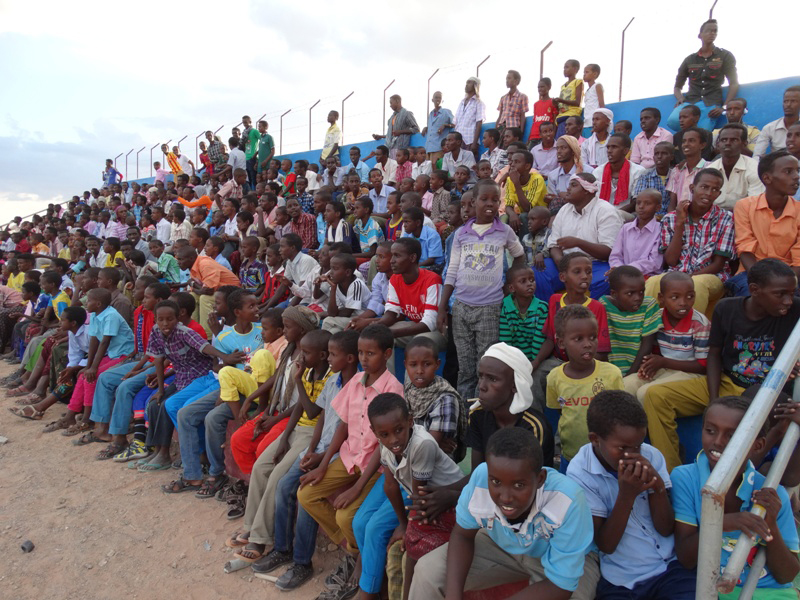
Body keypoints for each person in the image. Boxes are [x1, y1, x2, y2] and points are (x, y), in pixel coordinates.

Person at [645, 259, 800, 472]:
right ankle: (672, 473)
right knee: (655, 396)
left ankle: (732, 475)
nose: (788, 300)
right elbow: (714, 355)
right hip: (728, 382)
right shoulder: (726, 309)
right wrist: (713, 399)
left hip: (767, 390)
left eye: (792, 293)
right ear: (754, 290)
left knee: (748, 407)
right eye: (780, 294)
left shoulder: (795, 311)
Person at [409, 427, 599, 600]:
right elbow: (462, 535)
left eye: (519, 485)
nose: (506, 497)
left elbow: (561, 587)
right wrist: (453, 595)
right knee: (428, 571)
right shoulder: (482, 477)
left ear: (540, 479)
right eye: (496, 482)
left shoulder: (567, 500)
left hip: (558, 556)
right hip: (501, 542)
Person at [297, 325, 403, 599]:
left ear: (387, 354)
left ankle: (358, 558)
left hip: (374, 467)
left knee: (347, 516)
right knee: (306, 494)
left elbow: (385, 445)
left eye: (371, 353)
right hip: (348, 457)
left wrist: (356, 488)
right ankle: (354, 550)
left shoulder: (393, 389)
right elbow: (343, 425)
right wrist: (322, 465)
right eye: (360, 353)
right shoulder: (355, 382)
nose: (364, 359)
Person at [250, 330, 359, 591]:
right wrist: (311, 450)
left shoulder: (358, 387)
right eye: (330, 354)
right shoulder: (334, 382)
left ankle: (302, 562)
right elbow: (319, 417)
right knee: (285, 486)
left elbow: (352, 433)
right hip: (320, 448)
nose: (330, 359)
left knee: (306, 492)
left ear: (351, 358)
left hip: (339, 453)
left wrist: (321, 457)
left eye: (333, 354)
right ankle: (282, 548)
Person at [567, 390, 695, 600]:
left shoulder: (651, 455)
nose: (633, 454)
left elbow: (666, 529)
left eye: (638, 445)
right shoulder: (579, 473)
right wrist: (626, 495)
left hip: (670, 567)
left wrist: (658, 488)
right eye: (622, 447)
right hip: (622, 578)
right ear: (594, 439)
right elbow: (606, 545)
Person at [672, 395, 800, 597]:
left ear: (758, 445)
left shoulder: (772, 492)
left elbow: (787, 575)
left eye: (733, 436)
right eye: (710, 431)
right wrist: (723, 523)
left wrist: (771, 523)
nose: (718, 442)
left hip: (769, 591)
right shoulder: (685, 478)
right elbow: (686, 558)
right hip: (714, 588)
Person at [361, 392, 464, 600]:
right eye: (385, 434)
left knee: (411, 554)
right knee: (395, 554)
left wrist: (407, 530)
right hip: (426, 505)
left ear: (410, 421)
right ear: (375, 433)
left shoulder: (421, 444)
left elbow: (419, 495)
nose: (394, 440)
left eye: (399, 430)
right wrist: (401, 524)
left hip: (450, 504)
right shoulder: (385, 444)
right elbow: (390, 486)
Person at [438, 180, 525, 399]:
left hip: (489, 308)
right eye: (484, 199)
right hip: (461, 309)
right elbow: (452, 271)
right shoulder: (461, 234)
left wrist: (508, 284)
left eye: (495, 200)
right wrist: (442, 307)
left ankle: (481, 409)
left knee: (483, 364)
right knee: (465, 367)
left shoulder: (503, 231)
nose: (490, 204)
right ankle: (466, 412)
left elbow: (520, 255)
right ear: (474, 202)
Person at [643, 168, 733, 317]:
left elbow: (717, 264)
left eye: (715, 189)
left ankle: (690, 333)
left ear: (719, 194)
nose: (709, 193)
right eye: (704, 187)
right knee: (653, 282)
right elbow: (671, 260)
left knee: (696, 285)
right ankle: (648, 330)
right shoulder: (671, 218)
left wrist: (688, 279)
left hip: (711, 276)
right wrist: (680, 223)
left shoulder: (725, 219)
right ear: (692, 188)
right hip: (676, 274)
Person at [547, 304, 624, 468]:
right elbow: (556, 416)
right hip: (571, 458)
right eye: (578, 339)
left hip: (605, 459)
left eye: (592, 337)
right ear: (561, 343)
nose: (588, 344)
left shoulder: (612, 374)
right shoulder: (554, 378)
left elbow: (620, 416)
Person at [535, 174, 623, 302]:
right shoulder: (564, 209)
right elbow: (553, 245)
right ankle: (552, 313)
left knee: (607, 280)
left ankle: (586, 315)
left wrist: (578, 243)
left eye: (574, 185)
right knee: (539, 272)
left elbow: (608, 251)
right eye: (569, 184)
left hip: (595, 263)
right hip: (565, 260)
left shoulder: (606, 211)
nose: (568, 188)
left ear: (588, 190)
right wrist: (562, 263)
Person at [624, 271, 709, 402]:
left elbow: (703, 367)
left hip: (690, 374)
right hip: (663, 368)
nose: (683, 303)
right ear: (661, 298)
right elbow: (655, 352)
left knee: (646, 393)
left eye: (689, 296)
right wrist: (649, 366)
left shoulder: (700, 324)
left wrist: (664, 362)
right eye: (675, 297)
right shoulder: (656, 317)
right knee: (625, 386)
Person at [727, 150, 800, 296]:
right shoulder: (745, 206)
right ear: (767, 178)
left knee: (791, 300)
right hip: (750, 273)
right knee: (754, 295)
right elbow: (745, 248)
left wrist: (786, 283)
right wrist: (765, 281)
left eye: (797, 171)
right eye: (788, 171)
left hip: (790, 276)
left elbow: (798, 259)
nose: (796, 176)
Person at [668, 19, 738, 132]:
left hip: (711, 104)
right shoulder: (690, 59)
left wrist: (724, 107)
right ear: (700, 35)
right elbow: (677, 86)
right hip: (690, 102)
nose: (712, 33)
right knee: (672, 121)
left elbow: (734, 84)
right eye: (708, 31)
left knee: (703, 134)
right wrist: (680, 98)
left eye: (715, 31)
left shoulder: (724, 55)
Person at [600, 266, 661, 377]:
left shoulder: (648, 305)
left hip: (637, 370)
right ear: (614, 294)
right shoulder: (603, 306)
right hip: (610, 370)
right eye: (630, 293)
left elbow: (646, 345)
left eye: (641, 292)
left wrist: (629, 375)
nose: (638, 298)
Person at [175, 246, 240, 338]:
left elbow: (208, 290)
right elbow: (199, 288)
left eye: (181, 259)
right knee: (192, 296)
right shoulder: (193, 266)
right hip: (219, 292)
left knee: (205, 298)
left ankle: (207, 336)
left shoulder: (204, 264)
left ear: (191, 258)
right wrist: (193, 285)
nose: (178, 263)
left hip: (232, 293)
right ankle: (194, 331)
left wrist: (193, 284)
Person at [708, 123, 764, 210]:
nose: (727, 143)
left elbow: (755, 204)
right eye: (723, 140)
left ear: (744, 144)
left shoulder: (755, 168)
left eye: (733, 140)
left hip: (745, 216)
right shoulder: (710, 169)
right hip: (715, 217)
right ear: (718, 144)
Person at [608, 189, 663, 277]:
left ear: (658, 208)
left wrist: (625, 270)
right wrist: (617, 268)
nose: (641, 206)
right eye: (638, 203)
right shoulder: (626, 228)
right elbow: (615, 255)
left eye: (647, 203)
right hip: (622, 274)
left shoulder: (660, 229)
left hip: (648, 276)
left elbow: (654, 262)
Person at [499, 264, 548, 363]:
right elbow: (506, 341)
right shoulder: (506, 307)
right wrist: (513, 363)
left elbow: (538, 341)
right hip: (513, 359)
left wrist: (533, 364)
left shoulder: (542, 308)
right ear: (512, 288)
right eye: (523, 281)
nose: (530, 284)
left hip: (536, 360)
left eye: (532, 280)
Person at [593, 134, 646, 217]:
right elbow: (594, 200)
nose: (609, 150)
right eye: (608, 147)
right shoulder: (598, 172)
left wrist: (613, 214)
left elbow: (636, 202)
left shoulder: (638, 171)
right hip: (600, 214)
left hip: (626, 215)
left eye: (614, 147)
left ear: (625, 150)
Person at [264, 233, 321, 310]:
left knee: (279, 316)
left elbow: (302, 293)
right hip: (296, 299)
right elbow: (282, 287)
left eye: (282, 246)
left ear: (292, 248)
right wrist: (266, 307)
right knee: (270, 312)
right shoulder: (289, 262)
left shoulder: (306, 261)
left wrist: (288, 309)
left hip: (307, 301)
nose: (279, 250)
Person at [321, 253, 370, 333]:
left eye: (335, 269)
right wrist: (333, 289)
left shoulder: (356, 284)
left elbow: (346, 313)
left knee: (328, 320)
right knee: (334, 331)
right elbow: (332, 312)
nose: (330, 272)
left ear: (347, 272)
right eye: (331, 268)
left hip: (362, 319)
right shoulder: (336, 284)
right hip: (349, 318)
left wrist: (335, 313)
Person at [504, 149, 546, 233]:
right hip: (523, 214)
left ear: (527, 166)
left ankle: (525, 245)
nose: (512, 165)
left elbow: (528, 208)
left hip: (540, 216)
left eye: (516, 162)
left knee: (523, 216)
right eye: (512, 161)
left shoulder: (537, 179)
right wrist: (512, 214)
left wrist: (516, 183)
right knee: (507, 217)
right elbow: (508, 205)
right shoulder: (510, 180)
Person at [754, 85, 800, 157]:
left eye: (793, 101)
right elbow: (757, 155)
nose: (788, 105)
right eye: (785, 101)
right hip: (779, 165)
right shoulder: (769, 128)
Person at [633, 141, 675, 217]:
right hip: (647, 216)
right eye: (656, 154)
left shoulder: (676, 176)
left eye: (664, 153)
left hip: (670, 217)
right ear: (653, 157)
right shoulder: (645, 175)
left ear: (671, 157)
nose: (659, 156)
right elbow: (639, 200)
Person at [373, 95, 419, 159]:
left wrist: (400, 132)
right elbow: (393, 134)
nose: (390, 105)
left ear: (397, 101)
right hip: (390, 148)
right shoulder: (392, 117)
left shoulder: (406, 114)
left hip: (400, 148)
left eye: (391, 103)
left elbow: (416, 129)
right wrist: (381, 136)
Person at [453, 77, 486, 156]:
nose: (466, 85)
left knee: (468, 166)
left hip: (469, 140)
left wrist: (474, 143)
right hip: (458, 140)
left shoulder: (478, 103)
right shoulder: (461, 102)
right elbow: (455, 121)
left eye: (469, 83)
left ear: (475, 86)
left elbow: (479, 122)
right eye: (466, 83)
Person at [553, 59, 584, 139]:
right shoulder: (563, 86)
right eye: (564, 68)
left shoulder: (578, 82)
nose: (564, 70)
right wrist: (556, 103)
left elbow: (577, 102)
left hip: (571, 116)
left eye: (567, 67)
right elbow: (561, 106)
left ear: (575, 69)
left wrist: (561, 100)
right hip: (561, 118)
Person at [422, 91, 453, 166]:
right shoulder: (431, 114)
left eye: (440, 98)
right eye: (436, 97)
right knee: (428, 172)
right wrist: (426, 127)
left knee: (436, 171)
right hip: (428, 148)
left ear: (442, 100)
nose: (438, 99)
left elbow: (455, 124)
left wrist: (445, 125)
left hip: (438, 147)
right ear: (432, 100)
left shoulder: (446, 112)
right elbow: (432, 127)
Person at [496, 70, 528, 136]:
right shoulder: (503, 98)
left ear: (516, 81)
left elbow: (522, 116)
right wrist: (496, 130)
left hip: (513, 128)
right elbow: (500, 115)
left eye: (509, 78)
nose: (507, 81)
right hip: (501, 128)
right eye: (506, 78)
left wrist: (521, 132)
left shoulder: (522, 97)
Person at [527, 78, 558, 148]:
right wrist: (529, 138)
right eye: (538, 87)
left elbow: (555, 121)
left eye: (542, 86)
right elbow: (534, 121)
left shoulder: (552, 102)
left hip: (546, 136)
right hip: (534, 136)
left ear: (549, 87)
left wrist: (553, 135)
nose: (540, 89)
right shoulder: (536, 104)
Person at [581, 108, 613, 173]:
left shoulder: (613, 142)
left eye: (597, 119)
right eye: (593, 120)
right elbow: (583, 165)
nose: (594, 123)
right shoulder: (586, 144)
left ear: (607, 121)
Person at [582, 64, 605, 137]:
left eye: (587, 72)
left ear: (594, 74)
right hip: (586, 123)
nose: (584, 74)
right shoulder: (587, 91)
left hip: (594, 123)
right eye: (584, 72)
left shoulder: (597, 86)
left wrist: (599, 122)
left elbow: (602, 105)